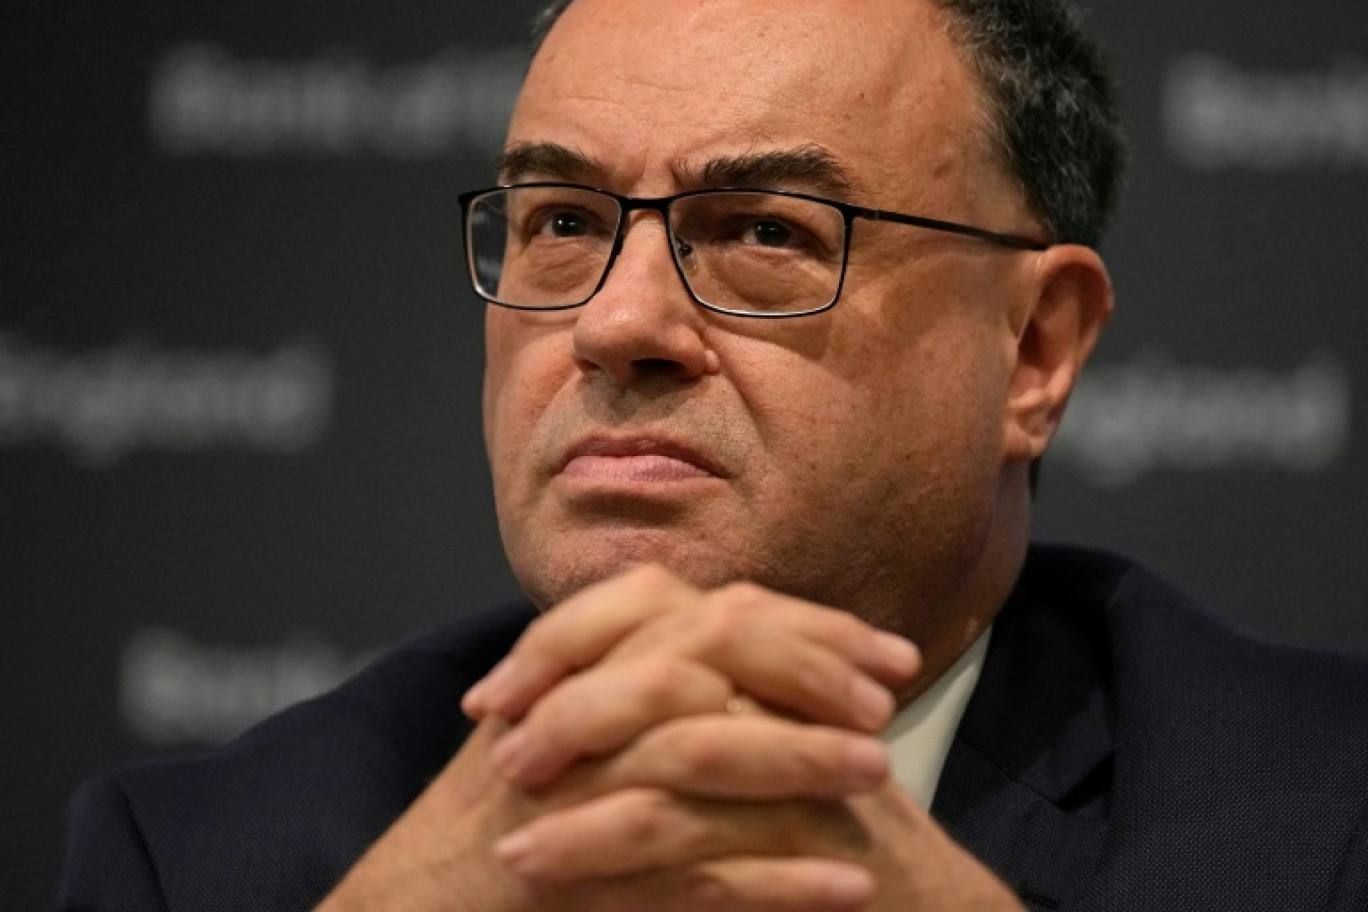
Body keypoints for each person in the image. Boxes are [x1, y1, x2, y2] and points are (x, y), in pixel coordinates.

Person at [60, 0, 1368, 909]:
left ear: (1034, 352)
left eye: (765, 234)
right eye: (563, 220)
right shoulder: (210, 860)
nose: (615, 324)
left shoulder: (1318, 822)